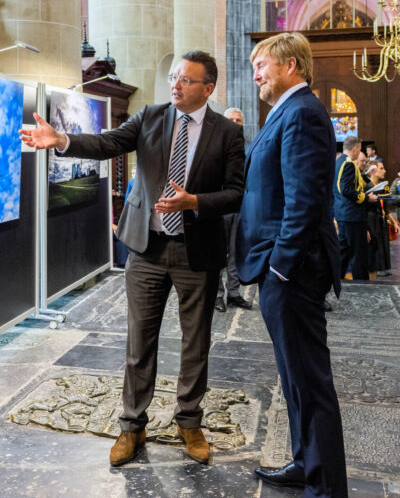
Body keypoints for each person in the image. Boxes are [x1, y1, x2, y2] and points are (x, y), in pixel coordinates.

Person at [20, 50, 245, 467]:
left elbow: (235, 193)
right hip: (147, 249)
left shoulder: (227, 132)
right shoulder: (150, 117)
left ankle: (189, 421)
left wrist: (194, 202)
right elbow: (107, 143)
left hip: (197, 251)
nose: (175, 85)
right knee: (139, 341)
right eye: (174, 77)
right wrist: (62, 141)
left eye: (186, 80)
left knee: (195, 343)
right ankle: (132, 426)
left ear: (208, 88)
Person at [236, 31, 347, 497]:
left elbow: (303, 201)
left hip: (293, 270)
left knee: (309, 381)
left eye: (262, 65)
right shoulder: (288, 111)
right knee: (294, 376)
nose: (256, 75)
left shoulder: (301, 112)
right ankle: (307, 463)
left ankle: (326, 488)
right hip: (284, 267)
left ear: (290, 65)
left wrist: (280, 267)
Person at [216, 107, 252, 312]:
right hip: (219, 207)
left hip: (239, 207)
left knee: (236, 252)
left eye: (238, 120)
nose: (235, 123)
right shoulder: (214, 143)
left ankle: (234, 293)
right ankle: (218, 295)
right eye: (231, 119)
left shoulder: (248, 146)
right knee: (219, 253)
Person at [334, 137, 376, 281]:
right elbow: (346, 189)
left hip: (342, 213)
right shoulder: (348, 163)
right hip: (352, 215)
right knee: (358, 255)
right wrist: (366, 198)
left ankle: (336, 281)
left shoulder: (338, 161)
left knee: (343, 253)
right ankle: (362, 286)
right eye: (359, 149)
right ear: (356, 148)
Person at [366, 160, 398, 276]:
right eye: (381, 168)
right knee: (374, 249)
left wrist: (393, 222)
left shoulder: (381, 187)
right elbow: (362, 210)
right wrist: (365, 228)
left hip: (381, 220)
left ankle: (380, 268)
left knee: (382, 246)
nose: (384, 171)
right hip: (371, 221)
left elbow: (384, 207)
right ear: (373, 171)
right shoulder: (366, 187)